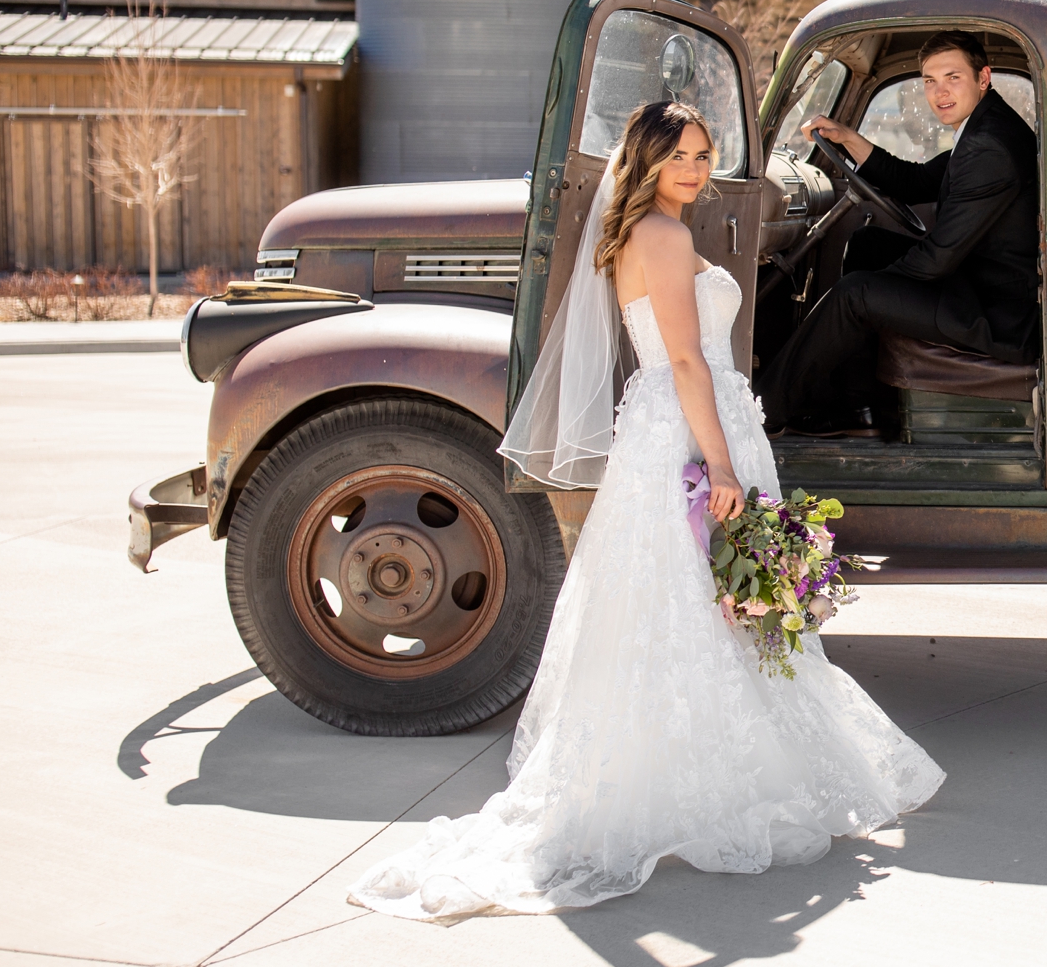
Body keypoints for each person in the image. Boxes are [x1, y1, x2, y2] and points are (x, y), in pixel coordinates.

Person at [347, 99, 942, 923]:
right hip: (687, 437)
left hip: (675, 428)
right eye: (681, 158)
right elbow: (689, 359)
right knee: (702, 605)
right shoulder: (661, 237)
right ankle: (707, 782)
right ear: (649, 163)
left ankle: (695, 766)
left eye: (704, 154)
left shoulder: (650, 229)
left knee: (684, 609)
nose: (696, 170)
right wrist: (724, 465)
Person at [766, 34, 1039, 436]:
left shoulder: (989, 145)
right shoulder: (984, 126)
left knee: (855, 294)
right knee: (867, 245)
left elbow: (938, 258)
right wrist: (847, 137)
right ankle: (858, 408)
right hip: (981, 284)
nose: (939, 92)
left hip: (995, 312)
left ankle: (763, 411)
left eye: (952, 77)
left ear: (983, 77)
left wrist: (873, 291)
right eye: (929, 80)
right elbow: (913, 181)